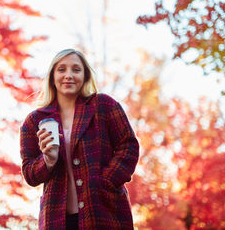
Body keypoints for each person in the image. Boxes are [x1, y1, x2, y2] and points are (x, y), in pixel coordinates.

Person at [20, 48, 139, 230]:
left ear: (85, 76)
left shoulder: (104, 106)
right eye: (61, 69)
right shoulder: (34, 121)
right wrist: (48, 160)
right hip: (56, 220)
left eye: (76, 69)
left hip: (104, 212)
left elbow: (128, 146)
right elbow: (29, 173)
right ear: (52, 76)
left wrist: (105, 182)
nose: (68, 75)